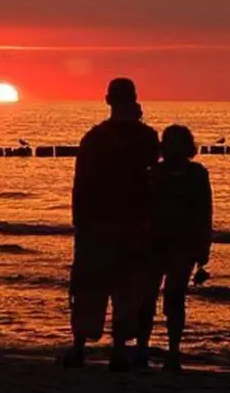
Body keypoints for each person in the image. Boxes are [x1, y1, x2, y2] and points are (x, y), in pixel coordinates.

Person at [63, 78, 160, 371]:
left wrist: (79, 223)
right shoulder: (147, 137)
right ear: (135, 99)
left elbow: (80, 186)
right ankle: (119, 351)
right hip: (135, 223)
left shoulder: (94, 138)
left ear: (107, 100)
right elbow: (154, 179)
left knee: (89, 287)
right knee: (128, 290)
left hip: (97, 225)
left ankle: (80, 347)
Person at [136, 125, 212, 372]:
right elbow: (143, 208)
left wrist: (203, 250)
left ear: (187, 146)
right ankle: (142, 350)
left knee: (175, 300)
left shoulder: (197, 174)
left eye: (176, 142)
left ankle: (173, 353)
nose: (171, 147)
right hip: (154, 244)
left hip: (183, 246)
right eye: (167, 142)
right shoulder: (153, 173)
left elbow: (204, 212)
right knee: (147, 299)